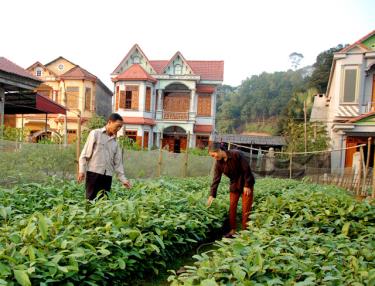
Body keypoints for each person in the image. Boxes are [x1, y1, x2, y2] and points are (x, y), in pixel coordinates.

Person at [78, 113, 131, 200]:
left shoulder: (115, 143)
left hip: (107, 177)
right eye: (117, 126)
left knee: (104, 204)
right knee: (90, 202)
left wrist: (123, 180)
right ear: (110, 122)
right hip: (93, 175)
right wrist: (81, 171)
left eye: (120, 127)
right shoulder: (95, 134)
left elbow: (118, 164)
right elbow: (84, 155)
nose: (118, 129)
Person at [207, 142, 255, 238]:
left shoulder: (236, 154)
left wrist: (247, 185)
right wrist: (212, 194)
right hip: (234, 185)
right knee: (232, 207)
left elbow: (246, 169)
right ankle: (233, 230)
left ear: (219, 151)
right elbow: (216, 179)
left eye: (213, 155)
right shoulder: (219, 164)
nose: (214, 157)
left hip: (246, 182)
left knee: (246, 208)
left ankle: (245, 232)